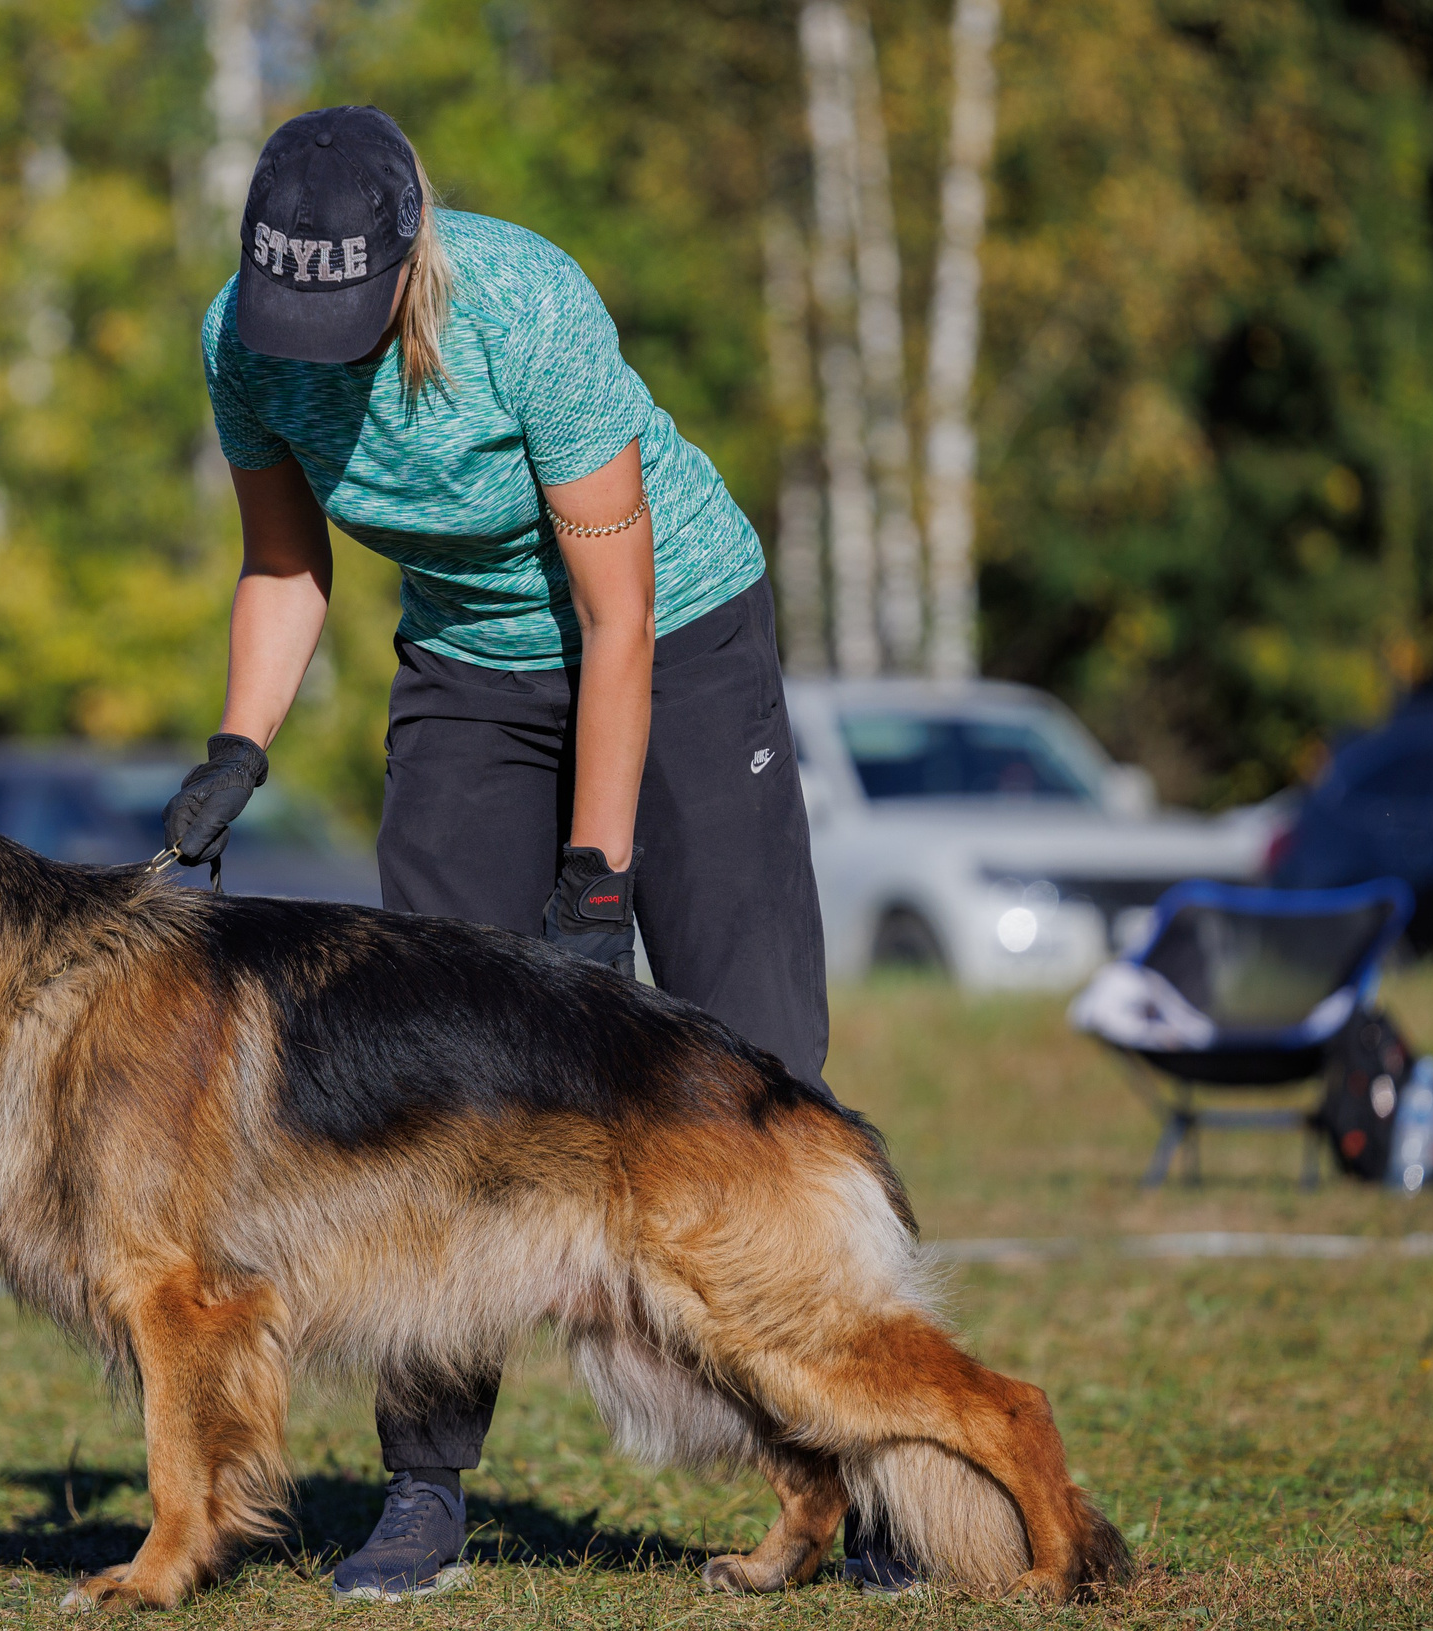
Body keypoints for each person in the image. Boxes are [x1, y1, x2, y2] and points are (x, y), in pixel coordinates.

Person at [161, 105, 910, 1602]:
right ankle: (424, 1488)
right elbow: (285, 562)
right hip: (468, 673)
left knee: (756, 1052)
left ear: (412, 255)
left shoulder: (527, 308)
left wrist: (595, 883)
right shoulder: (242, 339)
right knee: (435, 1085)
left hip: (678, 643)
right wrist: (235, 754)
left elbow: (618, 622)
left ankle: (873, 1465)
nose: (319, 355)